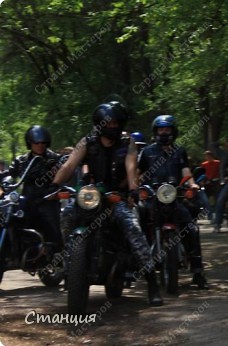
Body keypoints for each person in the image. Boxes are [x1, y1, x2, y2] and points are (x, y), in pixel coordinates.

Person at [53, 101, 163, 306]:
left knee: (132, 228)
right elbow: (69, 165)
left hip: (117, 196)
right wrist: (54, 184)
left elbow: (131, 167)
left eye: (116, 123)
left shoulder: (126, 142)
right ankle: (69, 260)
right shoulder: (87, 142)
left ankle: (152, 284)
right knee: (67, 214)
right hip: (92, 196)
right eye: (109, 123)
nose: (113, 126)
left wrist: (133, 191)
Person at [137, 115, 209, 289]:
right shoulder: (147, 152)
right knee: (137, 222)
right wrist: (138, 187)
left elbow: (186, 172)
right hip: (153, 197)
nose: (163, 133)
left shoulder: (179, 151)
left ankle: (198, 272)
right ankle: (134, 265)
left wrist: (192, 185)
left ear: (173, 132)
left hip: (175, 197)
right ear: (155, 132)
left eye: (167, 130)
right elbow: (139, 174)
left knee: (191, 228)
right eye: (160, 130)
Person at [0, 125, 63, 251]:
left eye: (43, 142)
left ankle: (57, 253)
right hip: (26, 200)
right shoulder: (21, 160)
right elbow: (9, 174)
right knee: (8, 215)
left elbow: (66, 171)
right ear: (30, 143)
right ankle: (13, 249)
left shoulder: (55, 159)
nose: (40, 145)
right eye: (36, 142)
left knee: (52, 225)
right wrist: (4, 183)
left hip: (47, 199)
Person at [200, 150, 220, 221]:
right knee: (207, 201)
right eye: (206, 156)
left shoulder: (217, 163)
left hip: (215, 183)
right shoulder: (204, 164)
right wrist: (202, 181)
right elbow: (202, 174)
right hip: (207, 184)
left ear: (211, 156)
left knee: (217, 199)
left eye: (208, 156)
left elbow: (220, 172)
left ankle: (217, 217)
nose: (207, 157)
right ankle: (210, 216)